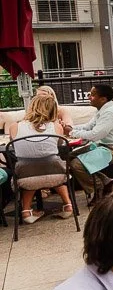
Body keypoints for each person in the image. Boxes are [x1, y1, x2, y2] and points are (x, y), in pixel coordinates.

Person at [9, 88, 72, 224]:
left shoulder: (15, 126)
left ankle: (26, 211)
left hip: (26, 178)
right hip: (57, 176)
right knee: (50, 162)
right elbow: (60, 144)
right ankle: (68, 205)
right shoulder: (56, 127)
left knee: (29, 165)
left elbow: (14, 146)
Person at [66, 83, 113, 200]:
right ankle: (106, 182)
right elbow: (89, 126)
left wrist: (71, 133)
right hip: (108, 145)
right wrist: (72, 128)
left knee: (76, 164)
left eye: (92, 95)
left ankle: (100, 188)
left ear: (103, 99)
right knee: (70, 156)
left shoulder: (110, 112)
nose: (89, 97)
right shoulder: (103, 109)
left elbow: (95, 135)